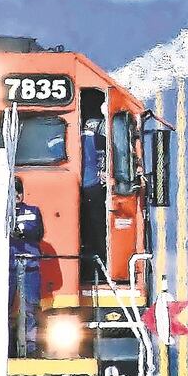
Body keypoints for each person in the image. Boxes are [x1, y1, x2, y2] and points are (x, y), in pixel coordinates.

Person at [7, 176, 43, 356]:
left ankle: (30, 348)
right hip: (7, 267)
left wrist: (21, 233)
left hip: (30, 267)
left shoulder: (33, 211)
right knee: (2, 309)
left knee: (30, 308)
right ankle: (4, 347)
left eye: (18, 192)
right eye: (12, 192)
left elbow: (38, 233)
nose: (16, 196)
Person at [79, 114, 107, 284]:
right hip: (93, 187)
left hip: (77, 188)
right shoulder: (98, 139)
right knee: (98, 229)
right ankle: (102, 263)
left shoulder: (70, 136)